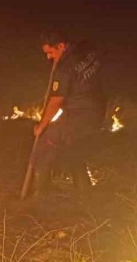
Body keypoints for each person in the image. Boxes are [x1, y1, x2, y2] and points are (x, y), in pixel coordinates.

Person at [27, 30, 107, 198]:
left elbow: (55, 102)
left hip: (80, 115)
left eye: (50, 52)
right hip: (97, 110)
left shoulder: (63, 69)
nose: (48, 57)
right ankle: (86, 196)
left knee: (43, 147)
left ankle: (40, 198)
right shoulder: (85, 51)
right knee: (74, 150)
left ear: (61, 46)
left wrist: (41, 127)